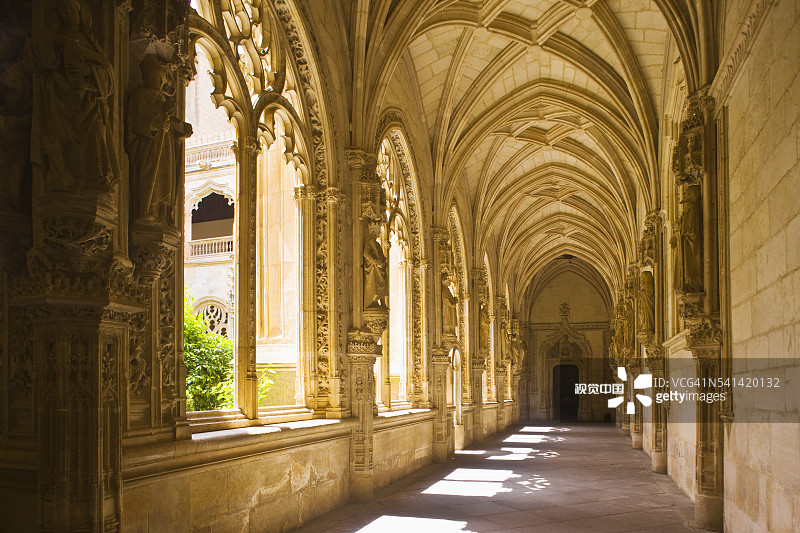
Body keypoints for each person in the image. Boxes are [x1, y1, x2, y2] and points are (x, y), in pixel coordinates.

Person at [28, 0, 118, 194]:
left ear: (80, 12)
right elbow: (36, 59)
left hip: (89, 104)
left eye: (71, 9)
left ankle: (95, 179)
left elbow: (109, 77)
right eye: (63, 10)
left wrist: (89, 70)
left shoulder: (90, 41)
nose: (68, 13)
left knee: (97, 135)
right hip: (58, 100)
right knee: (58, 141)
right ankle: (62, 179)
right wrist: (55, 43)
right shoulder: (51, 37)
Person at [127, 54, 192, 224]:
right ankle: (146, 211)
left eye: (162, 77)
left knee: (164, 182)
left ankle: (161, 215)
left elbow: (169, 126)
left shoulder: (161, 100)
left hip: (164, 150)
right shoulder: (140, 95)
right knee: (151, 181)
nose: (160, 80)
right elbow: (136, 122)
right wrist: (157, 123)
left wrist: (179, 132)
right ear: (147, 77)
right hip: (148, 149)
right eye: (156, 76)